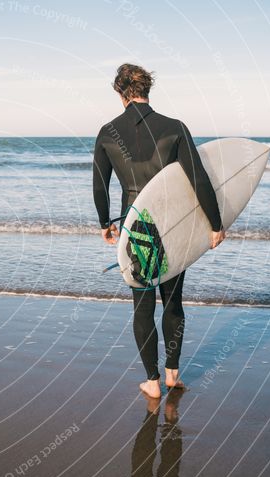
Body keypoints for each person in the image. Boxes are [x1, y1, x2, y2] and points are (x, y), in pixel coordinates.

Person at [92, 63, 226, 399]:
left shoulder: (108, 133)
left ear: (120, 93)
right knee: (172, 301)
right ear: (147, 90)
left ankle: (151, 381)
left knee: (142, 304)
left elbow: (100, 185)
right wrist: (215, 223)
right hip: (172, 225)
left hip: (135, 226)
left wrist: (104, 223)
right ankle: (172, 374)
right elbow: (198, 179)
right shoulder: (174, 128)